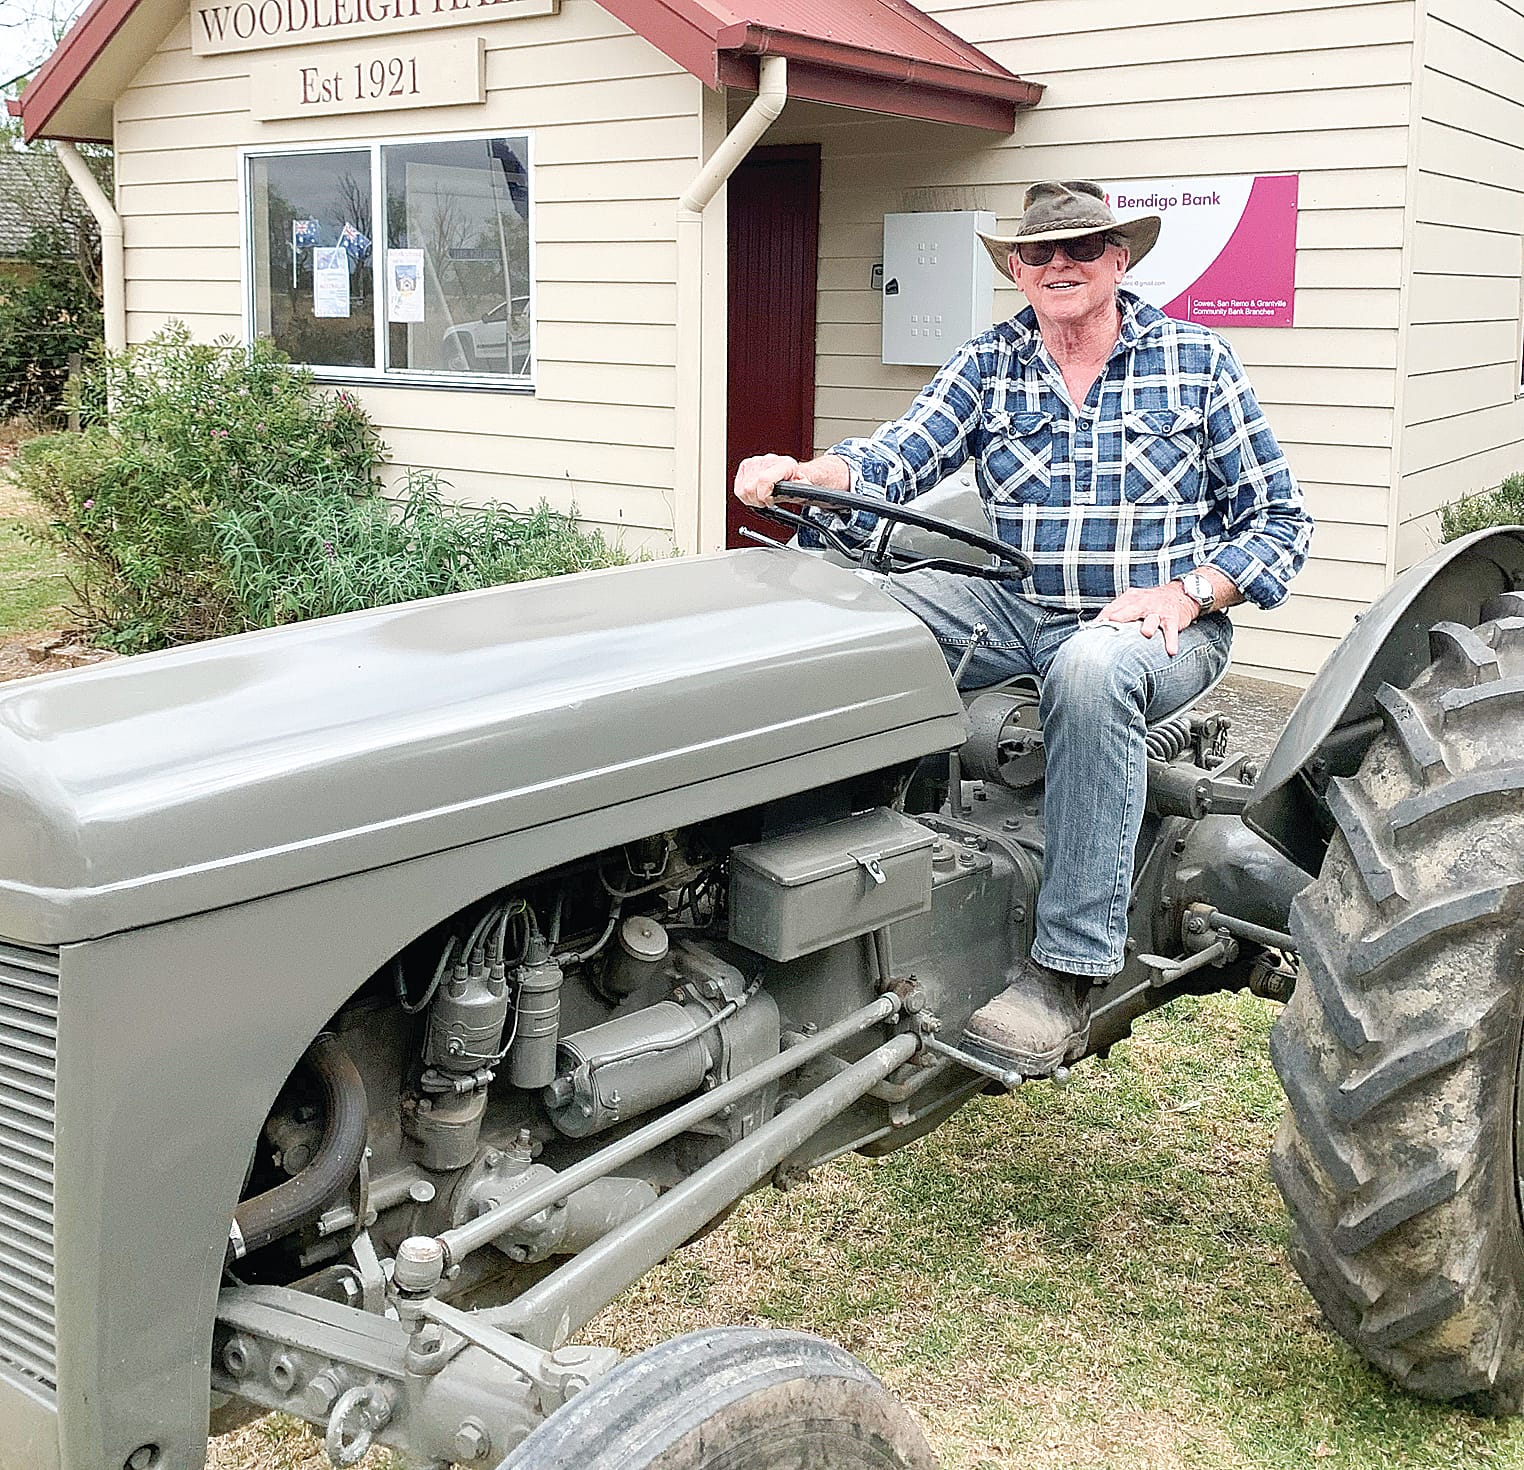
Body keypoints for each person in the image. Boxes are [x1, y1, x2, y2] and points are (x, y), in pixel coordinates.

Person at [733, 179, 1312, 1079]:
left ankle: (1068, 968)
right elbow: (898, 455)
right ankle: (804, 882)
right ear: (1015, 268)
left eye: (1080, 250)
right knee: (840, 621)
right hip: (1013, 599)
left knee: (1088, 670)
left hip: (1153, 618)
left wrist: (1194, 590)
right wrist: (815, 470)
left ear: (1120, 259)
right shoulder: (990, 360)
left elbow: (1279, 520)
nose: (1058, 266)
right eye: (1037, 253)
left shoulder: (1196, 361)